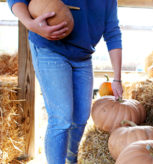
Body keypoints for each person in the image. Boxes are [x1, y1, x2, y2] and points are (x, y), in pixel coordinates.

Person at [7, 0, 123, 163]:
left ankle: (70, 159)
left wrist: (117, 78)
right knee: (61, 117)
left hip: (82, 56)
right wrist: (31, 24)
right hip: (51, 49)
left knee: (81, 117)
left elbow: (112, 32)